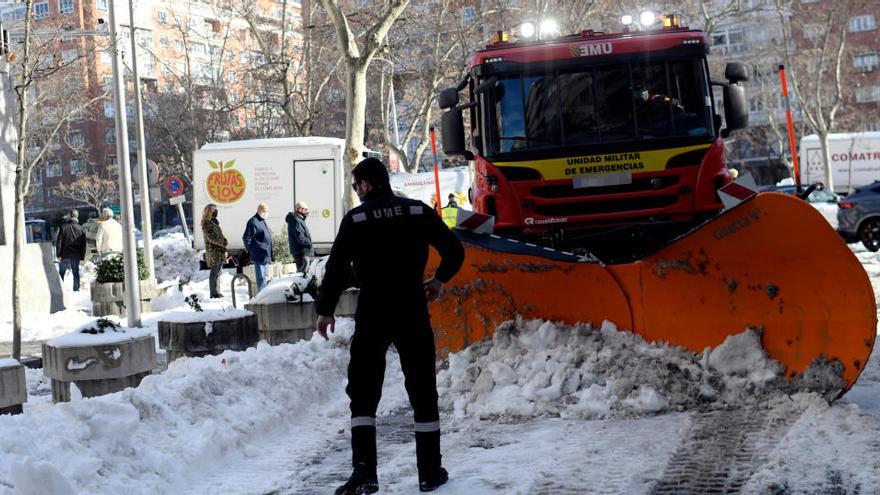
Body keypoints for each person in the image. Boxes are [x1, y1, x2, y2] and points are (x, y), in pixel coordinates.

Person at [316, 158, 465, 495]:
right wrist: (439, 280)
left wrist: (326, 310)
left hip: (373, 312)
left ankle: (365, 473)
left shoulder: (356, 219)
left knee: (364, 393)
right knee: (423, 390)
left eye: (356, 187)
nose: (356, 193)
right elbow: (454, 250)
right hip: (412, 308)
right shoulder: (417, 211)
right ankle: (429, 472)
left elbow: (336, 269)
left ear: (366, 185)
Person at [242, 202, 273, 291]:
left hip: (265, 254)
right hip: (259, 254)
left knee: (265, 278)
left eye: (267, 211)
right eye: (265, 211)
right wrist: (250, 250)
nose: (267, 213)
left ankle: (265, 295)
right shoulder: (253, 221)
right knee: (261, 279)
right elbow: (246, 238)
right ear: (259, 211)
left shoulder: (262, 220)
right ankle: (262, 298)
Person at [56, 209, 86, 291]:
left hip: (65, 254)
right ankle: (76, 289)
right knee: (75, 272)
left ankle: (60, 289)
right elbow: (83, 245)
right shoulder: (81, 229)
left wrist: (58, 254)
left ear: (69, 216)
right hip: (76, 254)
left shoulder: (63, 227)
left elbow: (59, 242)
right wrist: (82, 256)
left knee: (61, 273)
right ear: (77, 217)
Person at [201, 204, 227, 299]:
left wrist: (224, 240)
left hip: (219, 251)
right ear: (208, 211)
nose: (216, 211)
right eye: (214, 209)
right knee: (214, 272)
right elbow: (211, 238)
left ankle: (217, 291)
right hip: (213, 252)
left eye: (216, 209)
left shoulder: (215, 222)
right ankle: (213, 293)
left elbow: (219, 235)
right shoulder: (206, 223)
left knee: (219, 272)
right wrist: (222, 242)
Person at [285, 201, 314, 274]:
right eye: (306, 209)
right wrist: (309, 243)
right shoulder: (296, 220)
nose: (307, 211)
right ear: (299, 209)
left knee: (303, 274)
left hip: (302, 252)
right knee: (302, 275)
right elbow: (300, 238)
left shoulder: (298, 219)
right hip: (301, 252)